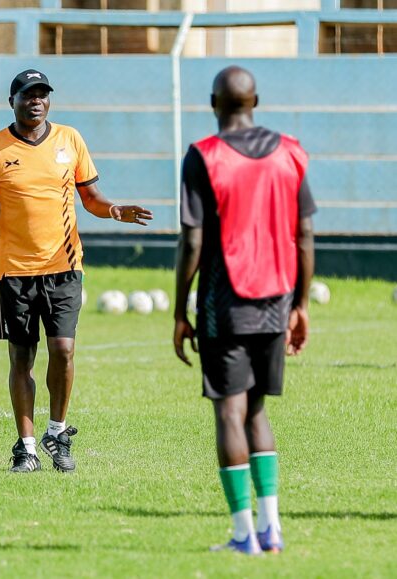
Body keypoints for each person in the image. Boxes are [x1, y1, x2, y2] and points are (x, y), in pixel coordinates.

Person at [0, 69, 153, 473]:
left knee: (64, 351)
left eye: (42, 95)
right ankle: (28, 446)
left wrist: (115, 210)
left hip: (65, 267)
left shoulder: (70, 140)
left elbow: (92, 197)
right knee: (21, 360)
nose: (36, 101)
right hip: (15, 272)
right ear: (12, 100)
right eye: (28, 95)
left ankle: (57, 430)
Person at [173, 66, 315, 554]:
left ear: (214, 101)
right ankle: (271, 530)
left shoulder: (203, 157)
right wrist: (299, 305)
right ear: (256, 99)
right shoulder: (291, 152)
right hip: (277, 300)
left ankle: (242, 535)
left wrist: (179, 311)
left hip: (225, 300)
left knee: (229, 413)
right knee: (256, 410)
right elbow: (307, 235)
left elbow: (191, 241)